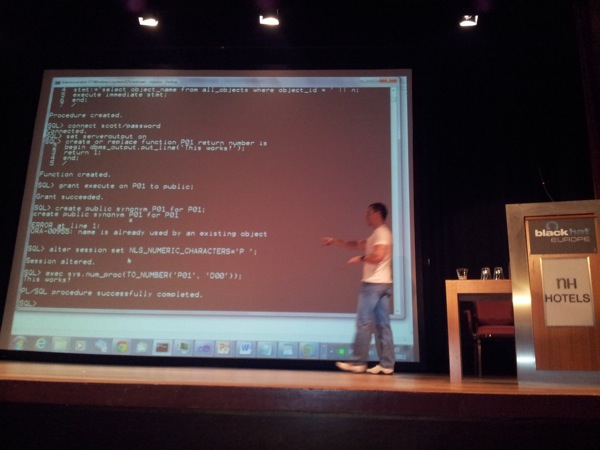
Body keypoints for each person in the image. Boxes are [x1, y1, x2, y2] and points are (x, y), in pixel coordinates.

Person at [321, 202, 395, 375]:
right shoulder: (378, 234)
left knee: (363, 322)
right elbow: (356, 243)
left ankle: (358, 361)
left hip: (374, 284)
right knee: (382, 325)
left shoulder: (382, 233)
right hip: (383, 283)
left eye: (369, 213)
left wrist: (361, 259)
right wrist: (336, 241)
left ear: (377, 213)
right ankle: (387, 365)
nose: (366, 216)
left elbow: (378, 256)